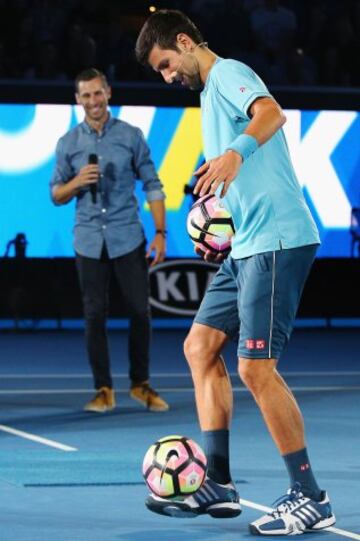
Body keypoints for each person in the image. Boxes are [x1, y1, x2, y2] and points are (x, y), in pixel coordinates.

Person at [135, 10, 335, 535]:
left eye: (166, 64)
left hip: (278, 239)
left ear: (183, 41)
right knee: (199, 348)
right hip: (244, 245)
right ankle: (219, 482)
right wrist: (218, 226)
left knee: (255, 369)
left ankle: (310, 495)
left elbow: (271, 114)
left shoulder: (226, 73)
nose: (167, 76)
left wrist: (234, 153)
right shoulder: (207, 96)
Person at [50, 68, 169, 414]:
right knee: (94, 315)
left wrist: (161, 233)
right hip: (88, 239)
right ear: (78, 100)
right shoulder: (68, 143)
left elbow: (152, 184)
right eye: (86, 95)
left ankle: (140, 384)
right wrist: (76, 183)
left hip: (127, 236)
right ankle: (103, 389)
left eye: (97, 93)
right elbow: (56, 194)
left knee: (139, 311)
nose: (93, 101)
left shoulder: (131, 136)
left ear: (108, 93)